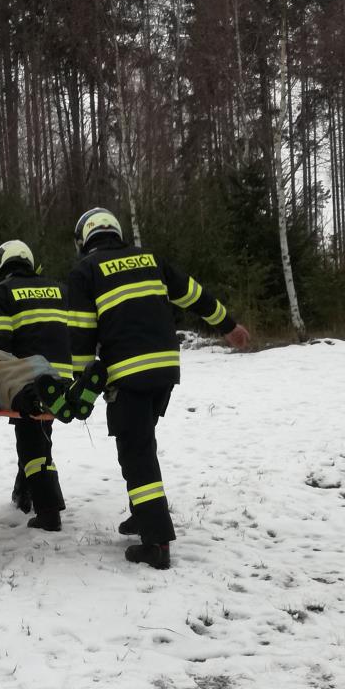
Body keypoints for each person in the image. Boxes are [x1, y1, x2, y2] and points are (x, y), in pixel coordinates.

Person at [67, 207, 250, 570]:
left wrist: (81, 378)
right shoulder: (151, 260)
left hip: (127, 372)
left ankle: (157, 543)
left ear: (83, 239)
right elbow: (196, 295)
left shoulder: (85, 272)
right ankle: (142, 515)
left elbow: (81, 330)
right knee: (141, 444)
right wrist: (228, 326)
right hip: (165, 370)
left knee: (136, 454)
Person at [0, 239, 70, 532]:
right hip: (64, 377)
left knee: (32, 443)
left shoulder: (2, 293)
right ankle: (24, 493)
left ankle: (48, 511)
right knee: (41, 434)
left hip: (29, 380)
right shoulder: (59, 289)